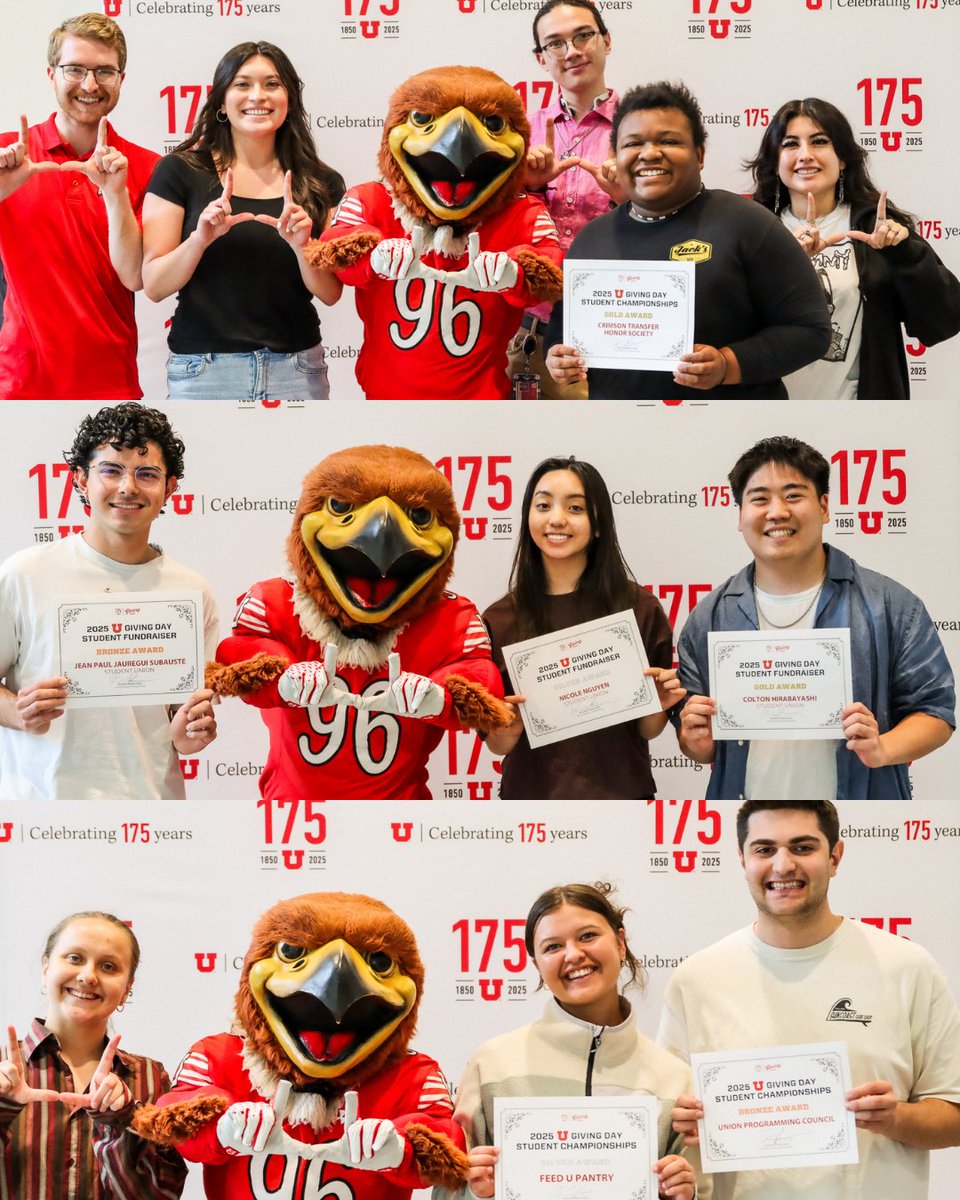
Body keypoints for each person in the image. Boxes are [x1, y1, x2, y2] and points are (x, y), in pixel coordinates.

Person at [659, 800, 960, 1200]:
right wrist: (679, 1124)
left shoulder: (906, 966)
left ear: (834, 856)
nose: (783, 866)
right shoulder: (696, 979)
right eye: (764, 849)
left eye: (803, 847)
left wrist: (895, 1119)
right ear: (742, 860)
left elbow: (954, 1116)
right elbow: (668, 1126)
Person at [674, 436, 954, 800]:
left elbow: (935, 712)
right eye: (759, 499)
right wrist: (694, 739)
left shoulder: (891, 605)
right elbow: (702, 748)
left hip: (858, 819)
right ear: (740, 515)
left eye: (793, 495)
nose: (776, 512)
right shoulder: (710, 616)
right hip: (746, 825)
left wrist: (881, 749)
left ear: (823, 507)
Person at [544, 81, 830, 399]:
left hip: (733, 433)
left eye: (668, 140)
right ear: (615, 155)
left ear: (699, 154)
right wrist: (559, 357)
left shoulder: (748, 223)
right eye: (632, 144)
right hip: (620, 434)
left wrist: (727, 365)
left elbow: (810, 331)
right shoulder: (591, 240)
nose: (649, 153)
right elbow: (562, 329)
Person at [0, 404, 219, 800]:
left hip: (151, 809)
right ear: (81, 480)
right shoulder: (23, 575)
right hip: (41, 814)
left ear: (169, 489)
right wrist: (18, 712)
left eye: (146, 473)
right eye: (111, 470)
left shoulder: (191, 591)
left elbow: (182, 721)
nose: (128, 487)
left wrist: (188, 734)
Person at [442, 883, 703, 1200]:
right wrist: (476, 1192)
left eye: (588, 936)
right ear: (537, 965)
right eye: (552, 947)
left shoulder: (674, 1079)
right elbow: (446, 1189)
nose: (574, 954)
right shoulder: (492, 1065)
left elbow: (701, 1192)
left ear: (620, 943)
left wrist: (683, 1194)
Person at [142, 41, 344, 401]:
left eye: (272, 84)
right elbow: (155, 284)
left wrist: (304, 246)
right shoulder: (179, 171)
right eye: (242, 84)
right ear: (222, 101)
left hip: (297, 371)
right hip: (203, 372)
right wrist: (200, 239)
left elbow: (331, 292)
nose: (258, 96)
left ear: (289, 99)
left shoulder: (319, 182)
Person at [483, 456, 683, 798]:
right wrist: (508, 726)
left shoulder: (639, 609)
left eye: (575, 508)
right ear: (527, 517)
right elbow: (498, 746)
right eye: (543, 505)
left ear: (599, 522)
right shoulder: (499, 620)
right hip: (532, 808)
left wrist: (657, 703)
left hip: (623, 802)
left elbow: (648, 730)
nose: (557, 519)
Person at [747, 97, 960, 399]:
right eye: (791, 144)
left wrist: (904, 253)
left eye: (819, 142)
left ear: (843, 158)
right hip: (768, 411)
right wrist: (786, 264)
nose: (805, 155)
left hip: (857, 419)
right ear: (774, 161)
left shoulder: (876, 227)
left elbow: (943, 322)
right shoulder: (752, 230)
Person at [0, 13, 158, 400]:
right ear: (51, 73)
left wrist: (116, 193)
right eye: (75, 69)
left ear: (122, 79)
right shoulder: (7, 154)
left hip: (112, 383)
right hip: (19, 382)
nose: (90, 84)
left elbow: (136, 277)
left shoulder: (148, 166)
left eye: (104, 71)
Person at [0, 910, 187, 1199]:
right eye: (74, 958)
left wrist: (121, 1120)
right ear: (46, 968)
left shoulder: (150, 1078)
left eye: (108, 966)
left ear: (127, 989)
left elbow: (162, 1194)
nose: (88, 976)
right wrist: (3, 1109)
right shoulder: (2, 1069)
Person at [506, 1, 624, 398]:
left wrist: (628, 201)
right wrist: (532, 189)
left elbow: (678, 226)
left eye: (583, 36)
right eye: (555, 44)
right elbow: (492, 230)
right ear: (542, 59)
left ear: (606, 41)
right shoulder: (518, 134)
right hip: (528, 329)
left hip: (618, 326)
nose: (572, 51)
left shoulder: (640, 127)